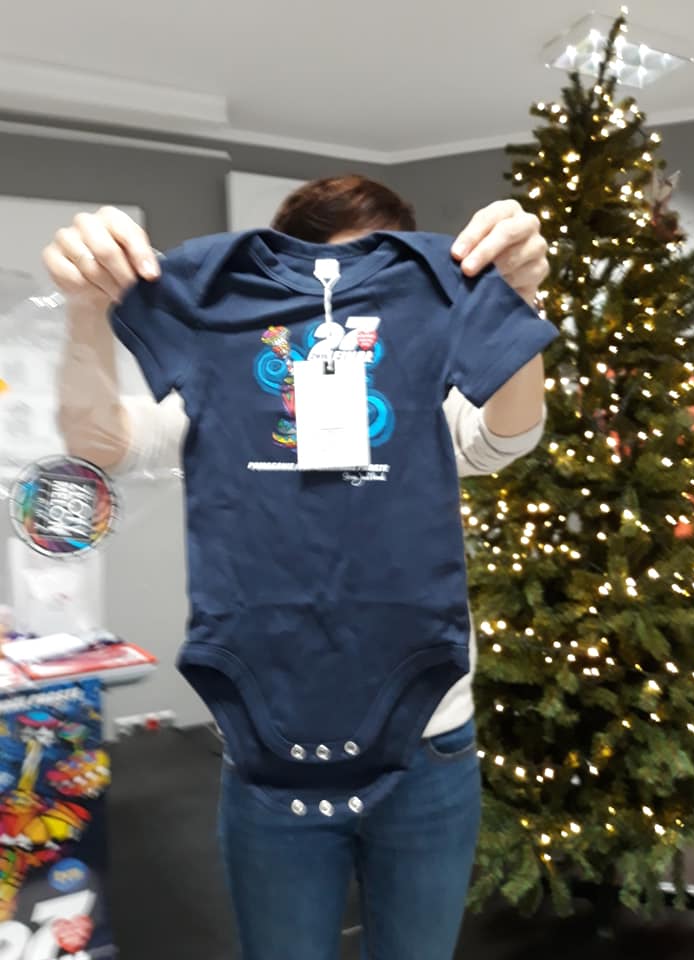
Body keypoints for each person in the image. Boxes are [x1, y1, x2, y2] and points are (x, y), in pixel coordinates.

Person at [44, 175, 550, 960]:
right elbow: (99, 441)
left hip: (430, 732)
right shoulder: (222, 323)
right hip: (268, 737)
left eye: (374, 273)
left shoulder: (429, 341)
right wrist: (87, 307)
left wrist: (511, 300)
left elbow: (506, 435)